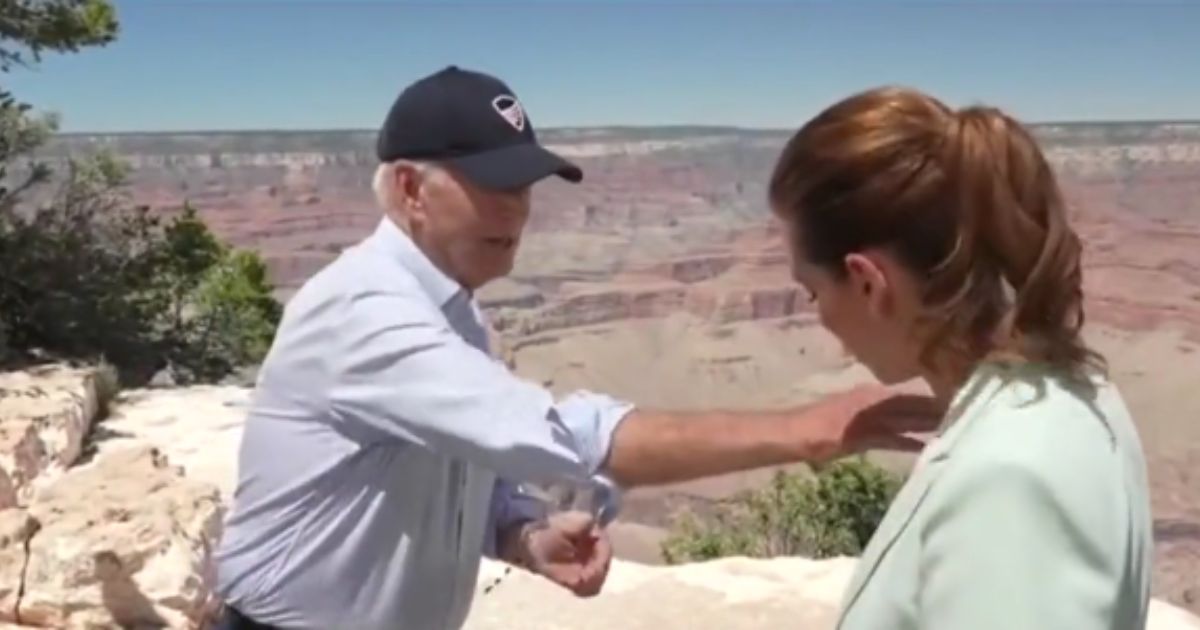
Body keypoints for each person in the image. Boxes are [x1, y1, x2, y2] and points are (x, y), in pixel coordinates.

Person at [210, 66, 939, 630]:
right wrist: (803, 431)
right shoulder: (366, 313)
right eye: (494, 186)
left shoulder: (449, 310)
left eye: (526, 187)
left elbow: (458, 462)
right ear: (410, 189)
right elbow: (564, 437)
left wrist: (520, 533)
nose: (518, 211)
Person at [767, 85, 1154, 630]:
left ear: (867, 282)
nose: (818, 319)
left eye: (811, 292)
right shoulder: (1074, 389)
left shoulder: (1008, 478)